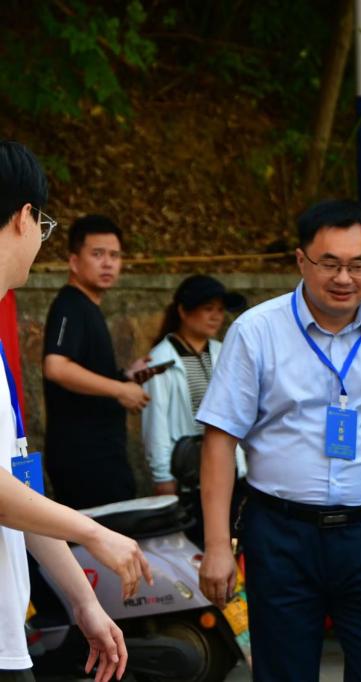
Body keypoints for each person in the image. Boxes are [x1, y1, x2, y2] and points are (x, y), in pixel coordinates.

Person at [196, 199, 361, 682]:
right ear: (301, 261)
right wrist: (218, 545)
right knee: (284, 671)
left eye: (358, 265)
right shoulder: (256, 332)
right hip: (280, 533)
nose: (344, 278)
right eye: (330, 263)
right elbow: (220, 440)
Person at [0, 139, 153, 682]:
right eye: (42, 224)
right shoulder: (70, 305)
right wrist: (92, 532)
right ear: (24, 218)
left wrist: (82, 599)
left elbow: (15, 490)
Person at [42, 214, 153, 509]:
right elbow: (56, 366)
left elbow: (81, 370)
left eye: (115, 256)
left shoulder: (87, 306)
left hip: (100, 454)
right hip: (84, 458)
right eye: (97, 254)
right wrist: (120, 390)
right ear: (74, 261)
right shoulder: (70, 305)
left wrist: (124, 376)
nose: (108, 263)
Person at [142, 274, 248, 496]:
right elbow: (156, 422)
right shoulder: (160, 360)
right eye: (208, 309)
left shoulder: (223, 352)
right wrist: (162, 477)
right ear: (183, 311)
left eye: (220, 310)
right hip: (188, 476)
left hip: (229, 471)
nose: (216, 317)